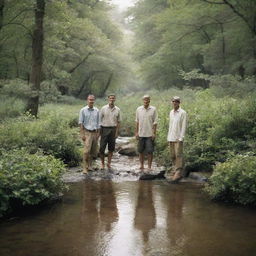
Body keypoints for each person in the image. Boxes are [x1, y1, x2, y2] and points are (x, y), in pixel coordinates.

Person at [167, 96, 187, 183]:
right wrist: (168, 137)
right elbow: (170, 125)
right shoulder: (171, 112)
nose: (175, 103)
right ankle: (175, 169)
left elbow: (184, 126)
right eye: (173, 101)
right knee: (172, 155)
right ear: (172, 102)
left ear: (179, 103)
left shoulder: (183, 113)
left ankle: (178, 172)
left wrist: (181, 138)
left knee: (178, 155)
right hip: (171, 137)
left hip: (178, 137)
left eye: (177, 101)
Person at [135, 95, 158, 171]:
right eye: (144, 100)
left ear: (149, 100)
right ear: (143, 100)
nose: (146, 101)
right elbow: (137, 122)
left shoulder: (153, 109)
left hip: (149, 134)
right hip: (141, 133)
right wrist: (136, 132)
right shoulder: (138, 109)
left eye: (147, 99)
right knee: (140, 150)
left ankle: (149, 166)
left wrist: (154, 133)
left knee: (150, 151)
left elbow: (155, 122)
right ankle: (141, 165)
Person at [78, 94, 100, 174]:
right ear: (87, 100)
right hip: (87, 132)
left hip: (95, 132)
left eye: (92, 100)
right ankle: (84, 167)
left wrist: (98, 133)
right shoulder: (83, 110)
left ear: (94, 100)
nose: (91, 101)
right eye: (90, 99)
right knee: (86, 151)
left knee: (92, 151)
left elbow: (98, 123)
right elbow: (81, 123)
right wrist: (82, 134)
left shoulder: (97, 110)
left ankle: (90, 166)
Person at [99, 94, 121, 170]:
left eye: (113, 98)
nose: (112, 99)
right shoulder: (103, 108)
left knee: (111, 148)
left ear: (115, 99)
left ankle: (109, 163)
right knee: (102, 148)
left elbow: (118, 122)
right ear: (108, 99)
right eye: (110, 98)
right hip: (104, 129)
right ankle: (102, 164)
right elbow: (99, 120)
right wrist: (99, 131)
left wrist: (117, 132)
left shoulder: (117, 109)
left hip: (113, 129)